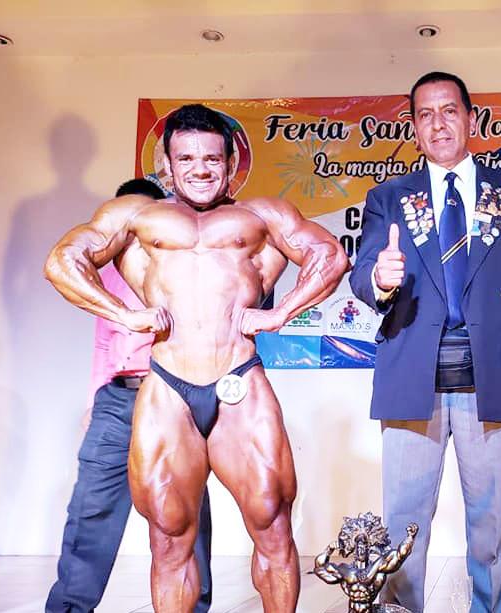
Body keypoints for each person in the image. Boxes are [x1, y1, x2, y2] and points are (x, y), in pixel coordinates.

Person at [44, 104, 349, 612]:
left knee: (272, 521)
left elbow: (330, 255)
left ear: (230, 163)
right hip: (167, 386)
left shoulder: (260, 216)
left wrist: (281, 313)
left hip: (239, 380)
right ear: (167, 164)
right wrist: (123, 313)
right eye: (186, 158)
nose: (200, 169)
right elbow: (63, 260)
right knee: (169, 535)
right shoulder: (137, 216)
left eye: (211, 158)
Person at [349, 71, 501, 613]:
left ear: (470, 117)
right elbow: (363, 272)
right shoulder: (388, 198)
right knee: (402, 524)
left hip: (498, 374)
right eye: (425, 114)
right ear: (414, 127)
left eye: (448, 111)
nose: (437, 124)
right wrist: (380, 278)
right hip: (412, 374)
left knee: (493, 522)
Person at [46, 178, 214, 613]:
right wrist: (94, 399)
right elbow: (105, 343)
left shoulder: (185, 266)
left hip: (172, 397)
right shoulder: (107, 272)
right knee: (90, 508)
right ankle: (68, 608)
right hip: (118, 399)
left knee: (183, 512)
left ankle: (192, 606)